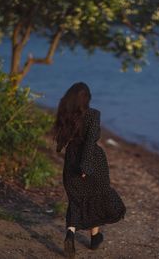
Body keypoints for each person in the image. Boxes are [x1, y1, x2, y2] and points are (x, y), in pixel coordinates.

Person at [51, 82, 126, 258]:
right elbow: (90, 142)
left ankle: (72, 234)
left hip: (71, 159)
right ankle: (94, 238)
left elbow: (62, 141)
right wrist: (86, 166)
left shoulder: (66, 114)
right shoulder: (93, 114)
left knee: (77, 199)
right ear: (87, 98)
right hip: (93, 161)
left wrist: (67, 152)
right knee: (98, 197)